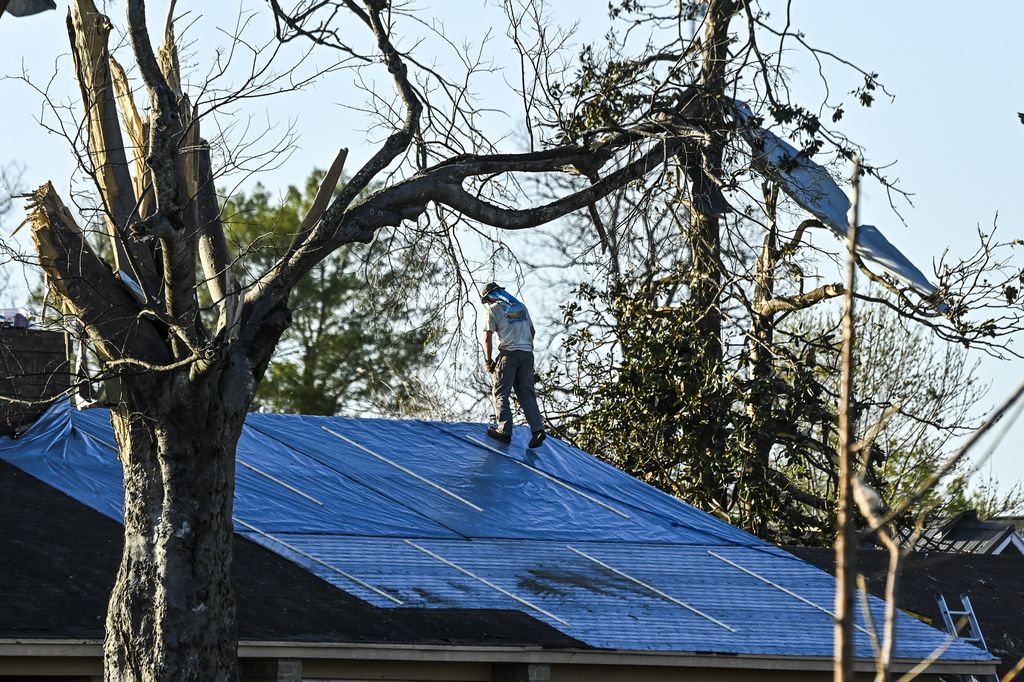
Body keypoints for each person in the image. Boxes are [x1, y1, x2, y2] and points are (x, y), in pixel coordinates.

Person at [481, 282, 546, 448]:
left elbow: (487, 338)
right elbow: (532, 332)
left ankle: (504, 430)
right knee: (526, 394)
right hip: (527, 355)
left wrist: (489, 361)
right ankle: (538, 430)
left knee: (501, 392)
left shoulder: (493, 310)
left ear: (489, 297)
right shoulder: (521, 307)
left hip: (508, 355)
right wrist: (525, 352)